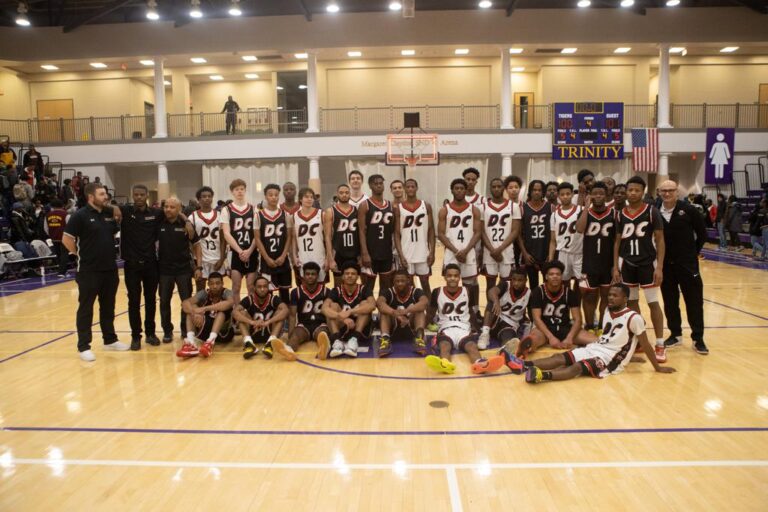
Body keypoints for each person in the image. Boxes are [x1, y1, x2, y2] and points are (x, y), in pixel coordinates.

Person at [495, 283, 676, 383]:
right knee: (559, 358)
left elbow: (643, 344)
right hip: (596, 347)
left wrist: (657, 367)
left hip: (609, 359)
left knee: (575, 368)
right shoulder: (607, 311)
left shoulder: (634, 318)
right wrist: (630, 357)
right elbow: (614, 339)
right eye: (610, 295)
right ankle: (523, 364)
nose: (610, 298)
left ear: (625, 299)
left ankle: (542, 375)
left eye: (615, 296)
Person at [62, 183, 126, 362]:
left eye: (105, 193)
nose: (105, 196)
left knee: (108, 306)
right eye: (102, 194)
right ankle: (84, 346)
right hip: (88, 270)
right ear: (91, 196)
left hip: (110, 269)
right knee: (86, 308)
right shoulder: (79, 216)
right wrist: (80, 253)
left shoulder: (107, 214)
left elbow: (113, 232)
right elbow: (66, 239)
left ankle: (110, 339)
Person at [612, 175, 667, 362]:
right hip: (627, 264)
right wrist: (615, 267)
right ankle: (640, 341)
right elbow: (617, 242)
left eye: (636, 190)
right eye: (630, 190)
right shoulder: (620, 214)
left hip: (647, 263)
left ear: (643, 192)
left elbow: (660, 241)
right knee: (633, 305)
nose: (633, 193)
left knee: (653, 303)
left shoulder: (652, 212)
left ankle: (660, 343)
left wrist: (659, 267)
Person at [658, 180, 709, 355]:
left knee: (694, 302)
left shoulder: (689, 210)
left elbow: (702, 234)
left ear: (677, 192)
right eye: (663, 191)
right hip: (665, 266)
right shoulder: (656, 212)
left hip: (687, 265)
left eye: (670, 190)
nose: (667, 193)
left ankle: (698, 338)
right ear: (659, 192)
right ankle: (675, 334)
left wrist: (692, 252)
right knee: (670, 302)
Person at [424, 264, 504, 375]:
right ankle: (445, 363)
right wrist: (421, 329)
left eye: (456, 276)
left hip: (464, 328)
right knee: (444, 346)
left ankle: (480, 364)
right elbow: (430, 313)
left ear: (460, 277)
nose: (452, 278)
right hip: (446, 328)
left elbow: (471, 312)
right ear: (445, 277)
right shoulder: (437, 292)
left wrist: (478, 329)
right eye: (449, 275)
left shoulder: (467, 291)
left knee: (472, 346)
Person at [514, 260, 593, 359]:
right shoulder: (538, 292)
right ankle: (522, 350)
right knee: (533, 340)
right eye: (551, 274)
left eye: (558, 274)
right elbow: (537, 318)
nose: (555, 276)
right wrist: (551, 337)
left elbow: (578, 319)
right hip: (543, 329)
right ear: (546, 277)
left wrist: (569, 338)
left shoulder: (570, 293)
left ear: (561, 276)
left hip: (564, 328)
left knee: (595, 340)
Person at [119, 184, 162, 350]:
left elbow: (174, 212)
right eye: (135, 195)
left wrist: (186, 220)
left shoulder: (156, 214)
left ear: (146, 196)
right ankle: (135, 336)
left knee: (151, 300)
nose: (138, 197)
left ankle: (150, 334)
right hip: (131, 265)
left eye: (141, 195)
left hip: (151, 264)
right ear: (132, 195)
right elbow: (107, 207)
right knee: (133, 302)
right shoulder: (125, 211)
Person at [438, 178, 483, 327]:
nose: (459, 191)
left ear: (466, 190)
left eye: (461, 188)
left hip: (468, 251)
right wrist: (456, 251)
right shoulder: (445, 209)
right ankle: (452, 311)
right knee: (451, 282)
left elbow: (477, 232)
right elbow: (441, 234)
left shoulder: (474, 209)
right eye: (456, 188)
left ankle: (473, 311)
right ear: (451, 190)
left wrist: (466, 250)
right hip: (452, 252)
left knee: (470, 284)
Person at [158, 197, 202, 343]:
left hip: (183, 270)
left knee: (186, 302)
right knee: (164, 302)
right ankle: (167, 331)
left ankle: (185, 330)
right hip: (164, 270)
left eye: (172, 207)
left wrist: (198, 266)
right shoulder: (158, 222)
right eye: (166, 206)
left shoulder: (185, 224)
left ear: (179, 209)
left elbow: (196, 245)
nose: (168, 209)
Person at [575, 182, 615, 333]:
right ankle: (590, 326)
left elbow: (617, 240)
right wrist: (586, 207)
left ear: (606, 195)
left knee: (606, 296)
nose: (598, 196)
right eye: (595, 193)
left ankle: (602, 326)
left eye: (601, 193)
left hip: (607, 262)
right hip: (589, 262)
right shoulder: (585, 213)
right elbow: (579, 229)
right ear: (590, 195)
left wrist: (615, 265)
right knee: (589, 297)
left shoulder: (613, 214)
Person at [270, 262, 331, 361]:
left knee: (322, 334)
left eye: (313, 274)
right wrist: (290, 334)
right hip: (304, 325)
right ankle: (289, 351)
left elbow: (329, 314)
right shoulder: (295, 292)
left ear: (317, 276)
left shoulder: (326, 291)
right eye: (307, 274)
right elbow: (292, 315)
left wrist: (331, 332)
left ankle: (323, 349)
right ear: (303, 275)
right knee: (295, 336)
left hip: (320, 324)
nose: (310, 276)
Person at [322, 262, 376, 358]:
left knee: (365, 304)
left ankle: (354, 340)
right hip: (343, 328)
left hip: (361, 330)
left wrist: (351, 311)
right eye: (347, 274)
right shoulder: (336, 291)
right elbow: (324, 308)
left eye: (353, 274)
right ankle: (337, 341)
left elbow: (372, 305)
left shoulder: (365, 289)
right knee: (332, 306)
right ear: (342, 276)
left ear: (358, 276)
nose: (350, 276)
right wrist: (341, 317)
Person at [177, 272, 236, 358]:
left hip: (224, 333)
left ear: (222, 283)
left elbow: (229, 303)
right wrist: (194, 313)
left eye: (217, 283)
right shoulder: (204, 293)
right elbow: (185, 303)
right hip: (207, 330)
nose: (214, 286)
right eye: (211, 284)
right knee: (192, 307)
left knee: (221, 312)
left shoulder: (227, 292)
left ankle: (210, 342)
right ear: (208, 284)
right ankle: (191, 343)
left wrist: (204, 309)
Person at [393, 178, 436, 295]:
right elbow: (396, 233)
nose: (410, 188)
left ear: (417, 188)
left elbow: (431, 230)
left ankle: (430, 312)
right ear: (405, 189)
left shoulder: (426, 205)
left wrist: (432, 252)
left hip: (423, 251)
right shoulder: (399, 208)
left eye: (413, 186)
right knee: (409, 285)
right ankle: (413, 310)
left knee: (425, 283)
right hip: (407, 252)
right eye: (408, 186)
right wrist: (401, 255)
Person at [255, 184, 294, 304]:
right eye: (270, 195)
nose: (273, 197)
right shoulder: (258, 215)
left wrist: (283, 256)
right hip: (267, 261)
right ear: (266, 196)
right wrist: (266, 258)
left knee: (284, 293)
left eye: (276, 195)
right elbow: (257, 239)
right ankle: (270, 319)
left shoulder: (286, 215)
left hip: (283, 260)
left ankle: (286, 321)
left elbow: (289, 237)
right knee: (267, 294)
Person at [220, 179, 258, 303]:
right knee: (235, 287)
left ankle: (252, 313)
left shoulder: (254, 209)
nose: (240, 192)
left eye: (242, 189)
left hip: (251, 251)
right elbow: (226, 233)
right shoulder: (226, 210)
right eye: (237, 189)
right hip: (235, 253)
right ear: (232, 192)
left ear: (245, 190)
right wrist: (240, 251)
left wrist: (249, 250)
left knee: (251, 286)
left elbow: (257, 234)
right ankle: (237, 316)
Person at [234, 275, 289, 360]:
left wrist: (268, 321)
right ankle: (249, 343)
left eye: (265, 286)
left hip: (270, 331)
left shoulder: (273, 298)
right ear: (254, 288)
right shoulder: (249, 299)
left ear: (268, 288)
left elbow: (286, 310)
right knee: (241, 313)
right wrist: (251, 322)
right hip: (253, 332)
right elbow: (235, 312)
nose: (262, 289)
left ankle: (270, 344)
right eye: (259, 287)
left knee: (280, 312)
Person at [376, 269, 429, 356]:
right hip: (394, 327)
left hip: (410, 326)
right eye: (397, 281)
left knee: (420, 310)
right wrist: (395, 313)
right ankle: (385, 340)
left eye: (402, 281)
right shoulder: (389, 292)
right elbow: (379, 303)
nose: (400, 283)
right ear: (393, 282)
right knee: (384, 312)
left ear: (408, 280)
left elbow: (424, 302)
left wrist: (407, 311)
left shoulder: (416, 291)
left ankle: (419, 339)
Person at [481, 177, 521, 293]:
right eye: (494, 187)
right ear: (490, 189)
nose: (497, 189)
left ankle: (504, 310)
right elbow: (481, 231)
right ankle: (490, 310)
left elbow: (515, 231)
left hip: (507, 251)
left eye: (499, 186)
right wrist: (493, 250)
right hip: (489, 252)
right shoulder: (483, 206)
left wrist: (500, 249)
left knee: (506, 284)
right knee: (490, 285)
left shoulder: (514, 206)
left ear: (503, 188)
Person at [478, 267, 532, 350]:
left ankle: (504, 351)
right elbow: (491, 291)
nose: (516, 283)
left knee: (508, 341)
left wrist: (526, 321)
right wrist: (496, 301)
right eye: (514, 279)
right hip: (496, 317)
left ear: (526, 280)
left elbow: (530, 313)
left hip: (510, 324)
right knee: (491, 302)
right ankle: (485, 334)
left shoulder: (529, 294)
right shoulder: (506, 284)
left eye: (520, 280)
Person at [358, 174, 395, 292]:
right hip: (371, 252)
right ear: (370, 186)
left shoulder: (391, 206)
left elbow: (393, 230)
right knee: (368, 287)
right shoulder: (365, 205)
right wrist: (364, 253)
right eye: (376, 183)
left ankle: (383, 311)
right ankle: (367, 311)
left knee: (385, 287)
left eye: (381, 183)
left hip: (386, 251)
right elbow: (361, 230)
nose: (379, 185)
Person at [189, 186, 227, 292]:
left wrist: (222, 259)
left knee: (218, 290)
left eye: (209, 196)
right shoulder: (192, 217)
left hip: (216, 258)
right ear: (199, 199)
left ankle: (217, 309)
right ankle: (202, 309)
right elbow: (190, 242)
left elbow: (224, 240)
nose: (207, 198)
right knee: (200, 290)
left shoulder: (220, 216)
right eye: (204, 196)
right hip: (201, 260)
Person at [547, 182, 583, 285]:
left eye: (568, 194)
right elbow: (553, 240)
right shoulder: (554, 215)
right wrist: (550, 259)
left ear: (572, 194)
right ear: (558, 196)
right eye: (562, 194)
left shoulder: (581, 210)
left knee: (580, 283)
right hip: (562, 253)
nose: (565, 196)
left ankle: (576, 301)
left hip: (579, 252)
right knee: (563, 282)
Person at [520, 180, 553, 289]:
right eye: (534, 190)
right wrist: (525, 253)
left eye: (539, 190)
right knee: (533, 286)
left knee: (548, 285)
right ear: (530, 191)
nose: (537, 192)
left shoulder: (551, 207)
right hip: (530, 254)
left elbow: (555, 233)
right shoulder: (523, 208)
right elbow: (519, 234)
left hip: (546, 253)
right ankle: (534, 306)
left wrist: (551, 253)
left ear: (543, 192)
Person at [325, 183, 360, 286]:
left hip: (354, 252)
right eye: (341, 193)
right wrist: (330, 258)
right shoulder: (330, 211)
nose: (344, 195)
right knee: (338, 284)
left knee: (353, 282)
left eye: (346, 192)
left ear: (350, 194)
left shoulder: (356, 210)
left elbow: (361, 233)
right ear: (337, 194)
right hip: (338, 252)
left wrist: (361, 255)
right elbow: (327, 236)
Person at [292, 187, 327, 282]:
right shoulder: (294, 216)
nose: (309, 199)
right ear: (300, 199)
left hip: (319, 255)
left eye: (311, 197)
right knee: (304, 285)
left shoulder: (321, 214)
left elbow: (328, 238)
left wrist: (328, 257)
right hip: (303, 255)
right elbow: (294, 239)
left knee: (320, 285)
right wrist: (294, 256)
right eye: (306, 197)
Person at [44, 198, 69, 277]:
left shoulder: (47, 215)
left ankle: (61, 270)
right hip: (64, 237)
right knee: (64, 254)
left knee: (58, 254)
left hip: (54, 238)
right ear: (62, 206)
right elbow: (70, 226)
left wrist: (51, 234)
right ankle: (62, 272)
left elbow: (46, 228)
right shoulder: (66, 214)